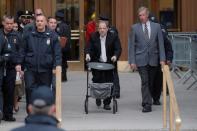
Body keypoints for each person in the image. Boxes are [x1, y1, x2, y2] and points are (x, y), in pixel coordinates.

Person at [21, 14, 62, 113]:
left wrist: (56, 66)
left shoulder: (53, 36)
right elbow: (22, 51)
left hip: (46, 70)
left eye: (41, 21)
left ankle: (43, 113)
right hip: (30, 69)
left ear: (45, 23)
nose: (39, 23)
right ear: (35, 22)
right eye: (38, 21)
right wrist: (21, 66)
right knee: (29, 90)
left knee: (44, 92)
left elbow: (57, 53)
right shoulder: (28, 35)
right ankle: (30, 114)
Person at [128, 6, 165, 113]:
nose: (142, 17)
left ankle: (146, 100)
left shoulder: (157, 27)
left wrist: (162, 59)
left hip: (154, 59)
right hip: (141, 59)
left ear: (147, 15)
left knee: (150, 82)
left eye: (143, 15)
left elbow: (160, 44)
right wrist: (132, 61)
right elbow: (131, 46)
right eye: (140, 15)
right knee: (145, 81)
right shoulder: (135, 28)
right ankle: (147, 104)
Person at [85, 20, 122, 110]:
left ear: (107, 29)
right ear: (98, 29)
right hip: (97, 62)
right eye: (100, 28)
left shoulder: (113, 36)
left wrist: (115, 56)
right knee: (97, 80)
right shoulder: (94, 36)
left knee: (108, 82)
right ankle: (98, 96)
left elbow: (118, 48)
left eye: (104, 28)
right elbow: (88, 47)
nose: (102, 30)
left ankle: (107, 103)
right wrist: (88, 54)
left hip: (109, 63)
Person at [0, 15, 23, 121]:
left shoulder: (17, 35)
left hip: (11, 67)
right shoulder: (0, 34)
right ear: (3, 23)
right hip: (1, 67)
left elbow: (21, 51)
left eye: (11, 23)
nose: (9, 26)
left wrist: (19, 63)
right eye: (7, 23)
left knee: (9, 91)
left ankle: (8, 114)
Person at [149, 14, 173, 105]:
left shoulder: (162, 34)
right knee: (149, 81)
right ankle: (148, 98)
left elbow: (168, 47)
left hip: (160, 60)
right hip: (149, 61)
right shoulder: (145, 33)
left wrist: (169, 59)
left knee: (158, 80)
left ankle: (156, 98)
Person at [98, 15, 122, 98]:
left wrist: (115, 55)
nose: (102, 22)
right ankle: (102, 93)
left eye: (104, 21)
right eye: (101, 21)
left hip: (111, 57)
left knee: (114, 74)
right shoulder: (100, 30)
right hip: (103, 58)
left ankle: (116, 91)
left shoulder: (113, 30)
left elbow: (116, 44)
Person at [55, 11, 71, 82]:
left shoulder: (58, 26)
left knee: (60, 62)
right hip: (66, 47)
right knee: (64, 62)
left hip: (60, 47)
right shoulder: (67, 26)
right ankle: (64, 77)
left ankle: (60, 77)